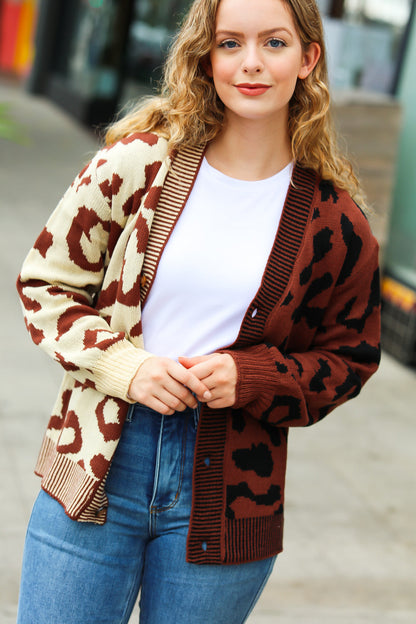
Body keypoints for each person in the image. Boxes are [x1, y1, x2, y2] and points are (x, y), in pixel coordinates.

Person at [16, 0, 381, 622]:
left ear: (308, 58)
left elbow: (348, 359)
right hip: (101, 465)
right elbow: (45, 286)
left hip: (228, 493)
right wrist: (126, 366)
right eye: (230, 44)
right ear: (206, 58)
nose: (251, 64)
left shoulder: (335, 222)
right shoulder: (135, 165)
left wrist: (254, 377)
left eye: (274, 43)